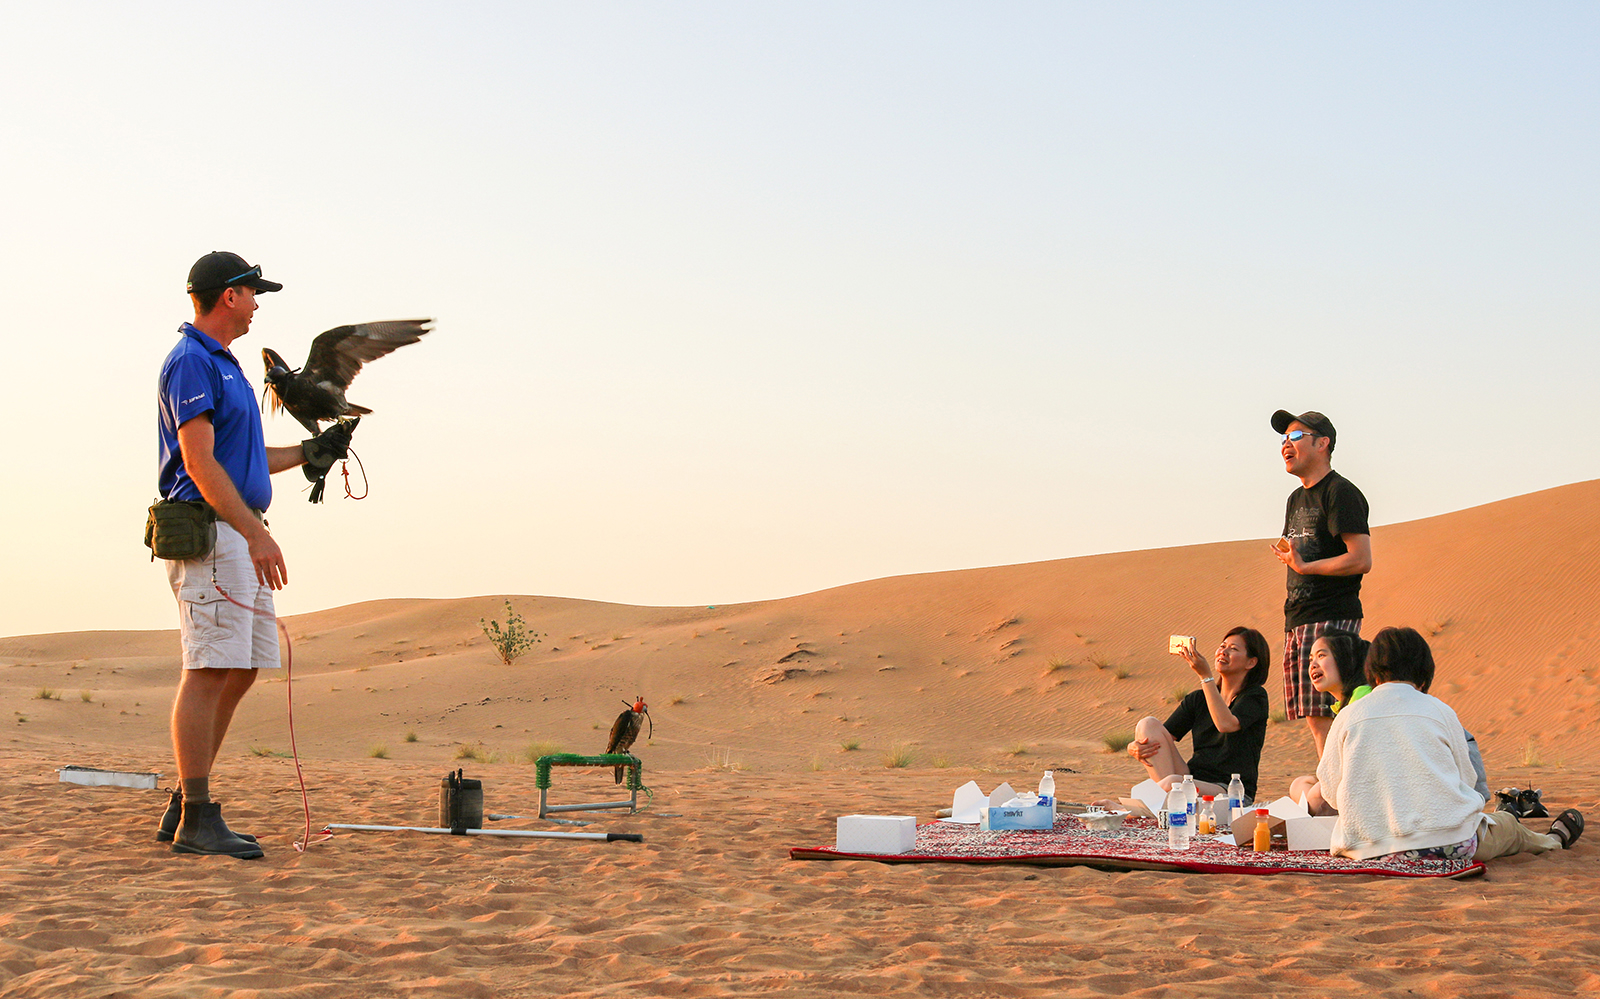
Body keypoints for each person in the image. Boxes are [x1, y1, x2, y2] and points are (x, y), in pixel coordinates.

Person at [155, 251, 351, 859]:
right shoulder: (191, 361)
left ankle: (187, 798)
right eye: (251, 293)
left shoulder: (230, 366)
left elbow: (244, 459)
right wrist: (255, 533)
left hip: (238, 531)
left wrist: (310, 452)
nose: (258, 305)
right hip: (213, 533)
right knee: (209, 668)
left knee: (240, 668)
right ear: (227, 296)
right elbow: (200, 462)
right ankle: (197, 817)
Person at [1316, 627, 1582, 864]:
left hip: (1365, 851)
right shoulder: (1439, 710)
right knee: (1508, 828)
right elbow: (1467, 779)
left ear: (1372, 673)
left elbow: (1329, 790)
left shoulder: (1349, 715)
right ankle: (1553, 841)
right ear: (1424, 673)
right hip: (1451, 845)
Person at [1270, 409, 1372, 758]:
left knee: (1339, 713)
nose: (1286, 444)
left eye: (1296, 436)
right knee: (1314, 717)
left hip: (1332, 616)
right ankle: (1332, 794)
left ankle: (1345, 795)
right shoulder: (1295, 499)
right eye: (1283, 439)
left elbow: (1361, 559)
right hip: (1298, 617)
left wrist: (1307, 565)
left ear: (1323, 442)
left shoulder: (1341, 492)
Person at [1124, 627, 1272, 802]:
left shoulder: (1254, 696)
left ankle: (1133, 809)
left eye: (1233, 649)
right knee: (1147, 725)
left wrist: (1205, 676)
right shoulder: (1199, 699)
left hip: (1231, 791)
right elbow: (1161, 738)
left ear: (1251, 663)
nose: (1223, 651)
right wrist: (1134, 747)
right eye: (1222, 646)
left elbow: (1225, 724)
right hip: (1192, 782)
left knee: (1172, 783)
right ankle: (1167, 804)